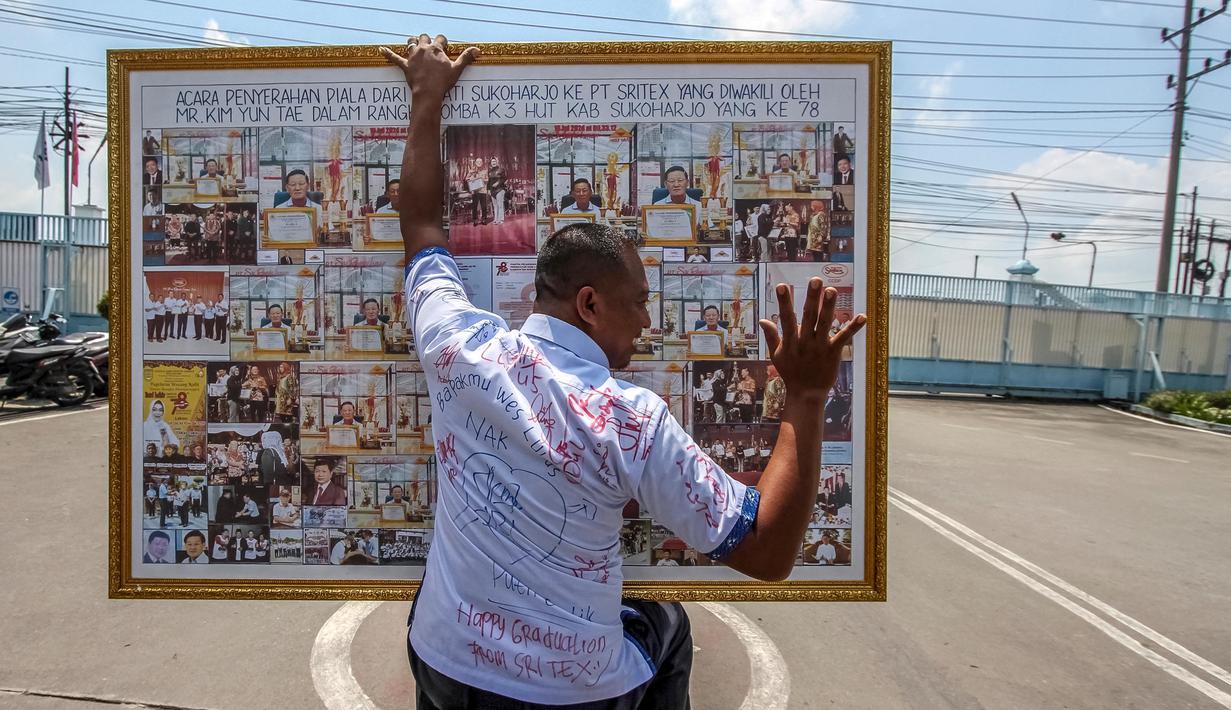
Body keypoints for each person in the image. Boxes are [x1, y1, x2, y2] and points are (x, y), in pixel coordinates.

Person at [380, 35, 865, 709]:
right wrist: (808, 396)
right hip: (569, 691)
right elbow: (766, 551)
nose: (646, 323)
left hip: (444, 659)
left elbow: (423, 228)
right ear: (590, 303)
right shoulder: (630, 419)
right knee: (668, 623)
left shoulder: (457, 344)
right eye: (638, 305)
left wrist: (426, 96)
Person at [487, 157, 507, 225]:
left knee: (500, 205)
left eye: (494, 161)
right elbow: (489, 182)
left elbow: (504, 179)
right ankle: (495, 219)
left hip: (500, 189)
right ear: (491, 163)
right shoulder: (489, 171)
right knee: (495, 206)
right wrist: (488, 190)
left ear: (497, 162)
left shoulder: (501, 169)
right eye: (492, 161)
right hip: (492, 191)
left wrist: (498, 183)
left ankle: (501, 219)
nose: (493, 162)